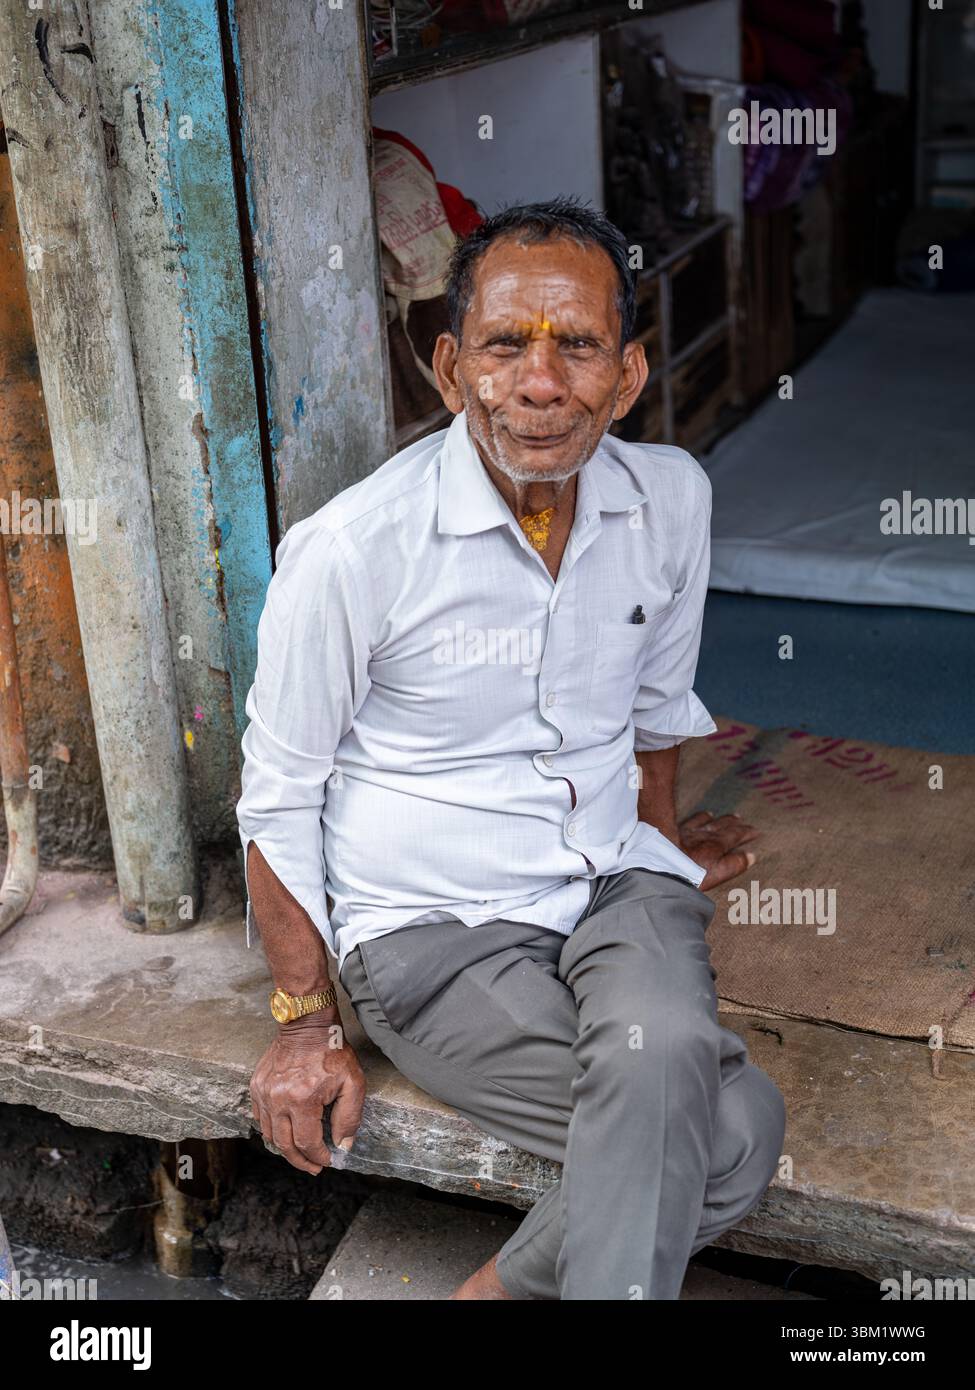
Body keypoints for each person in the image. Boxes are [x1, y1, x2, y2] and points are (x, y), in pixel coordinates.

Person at [237, 198, 786, 1300]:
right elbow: (277, 796)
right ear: (450, 369)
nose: (541, 385)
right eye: (505, 345)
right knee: (731, 1129)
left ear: (627, 377)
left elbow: (654, 703)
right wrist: (305, 1023)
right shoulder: (353, 552)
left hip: (615, 880)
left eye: (577, 345)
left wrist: (665, 846)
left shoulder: (669, 498)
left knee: (688, 1097)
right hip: (434, 928)